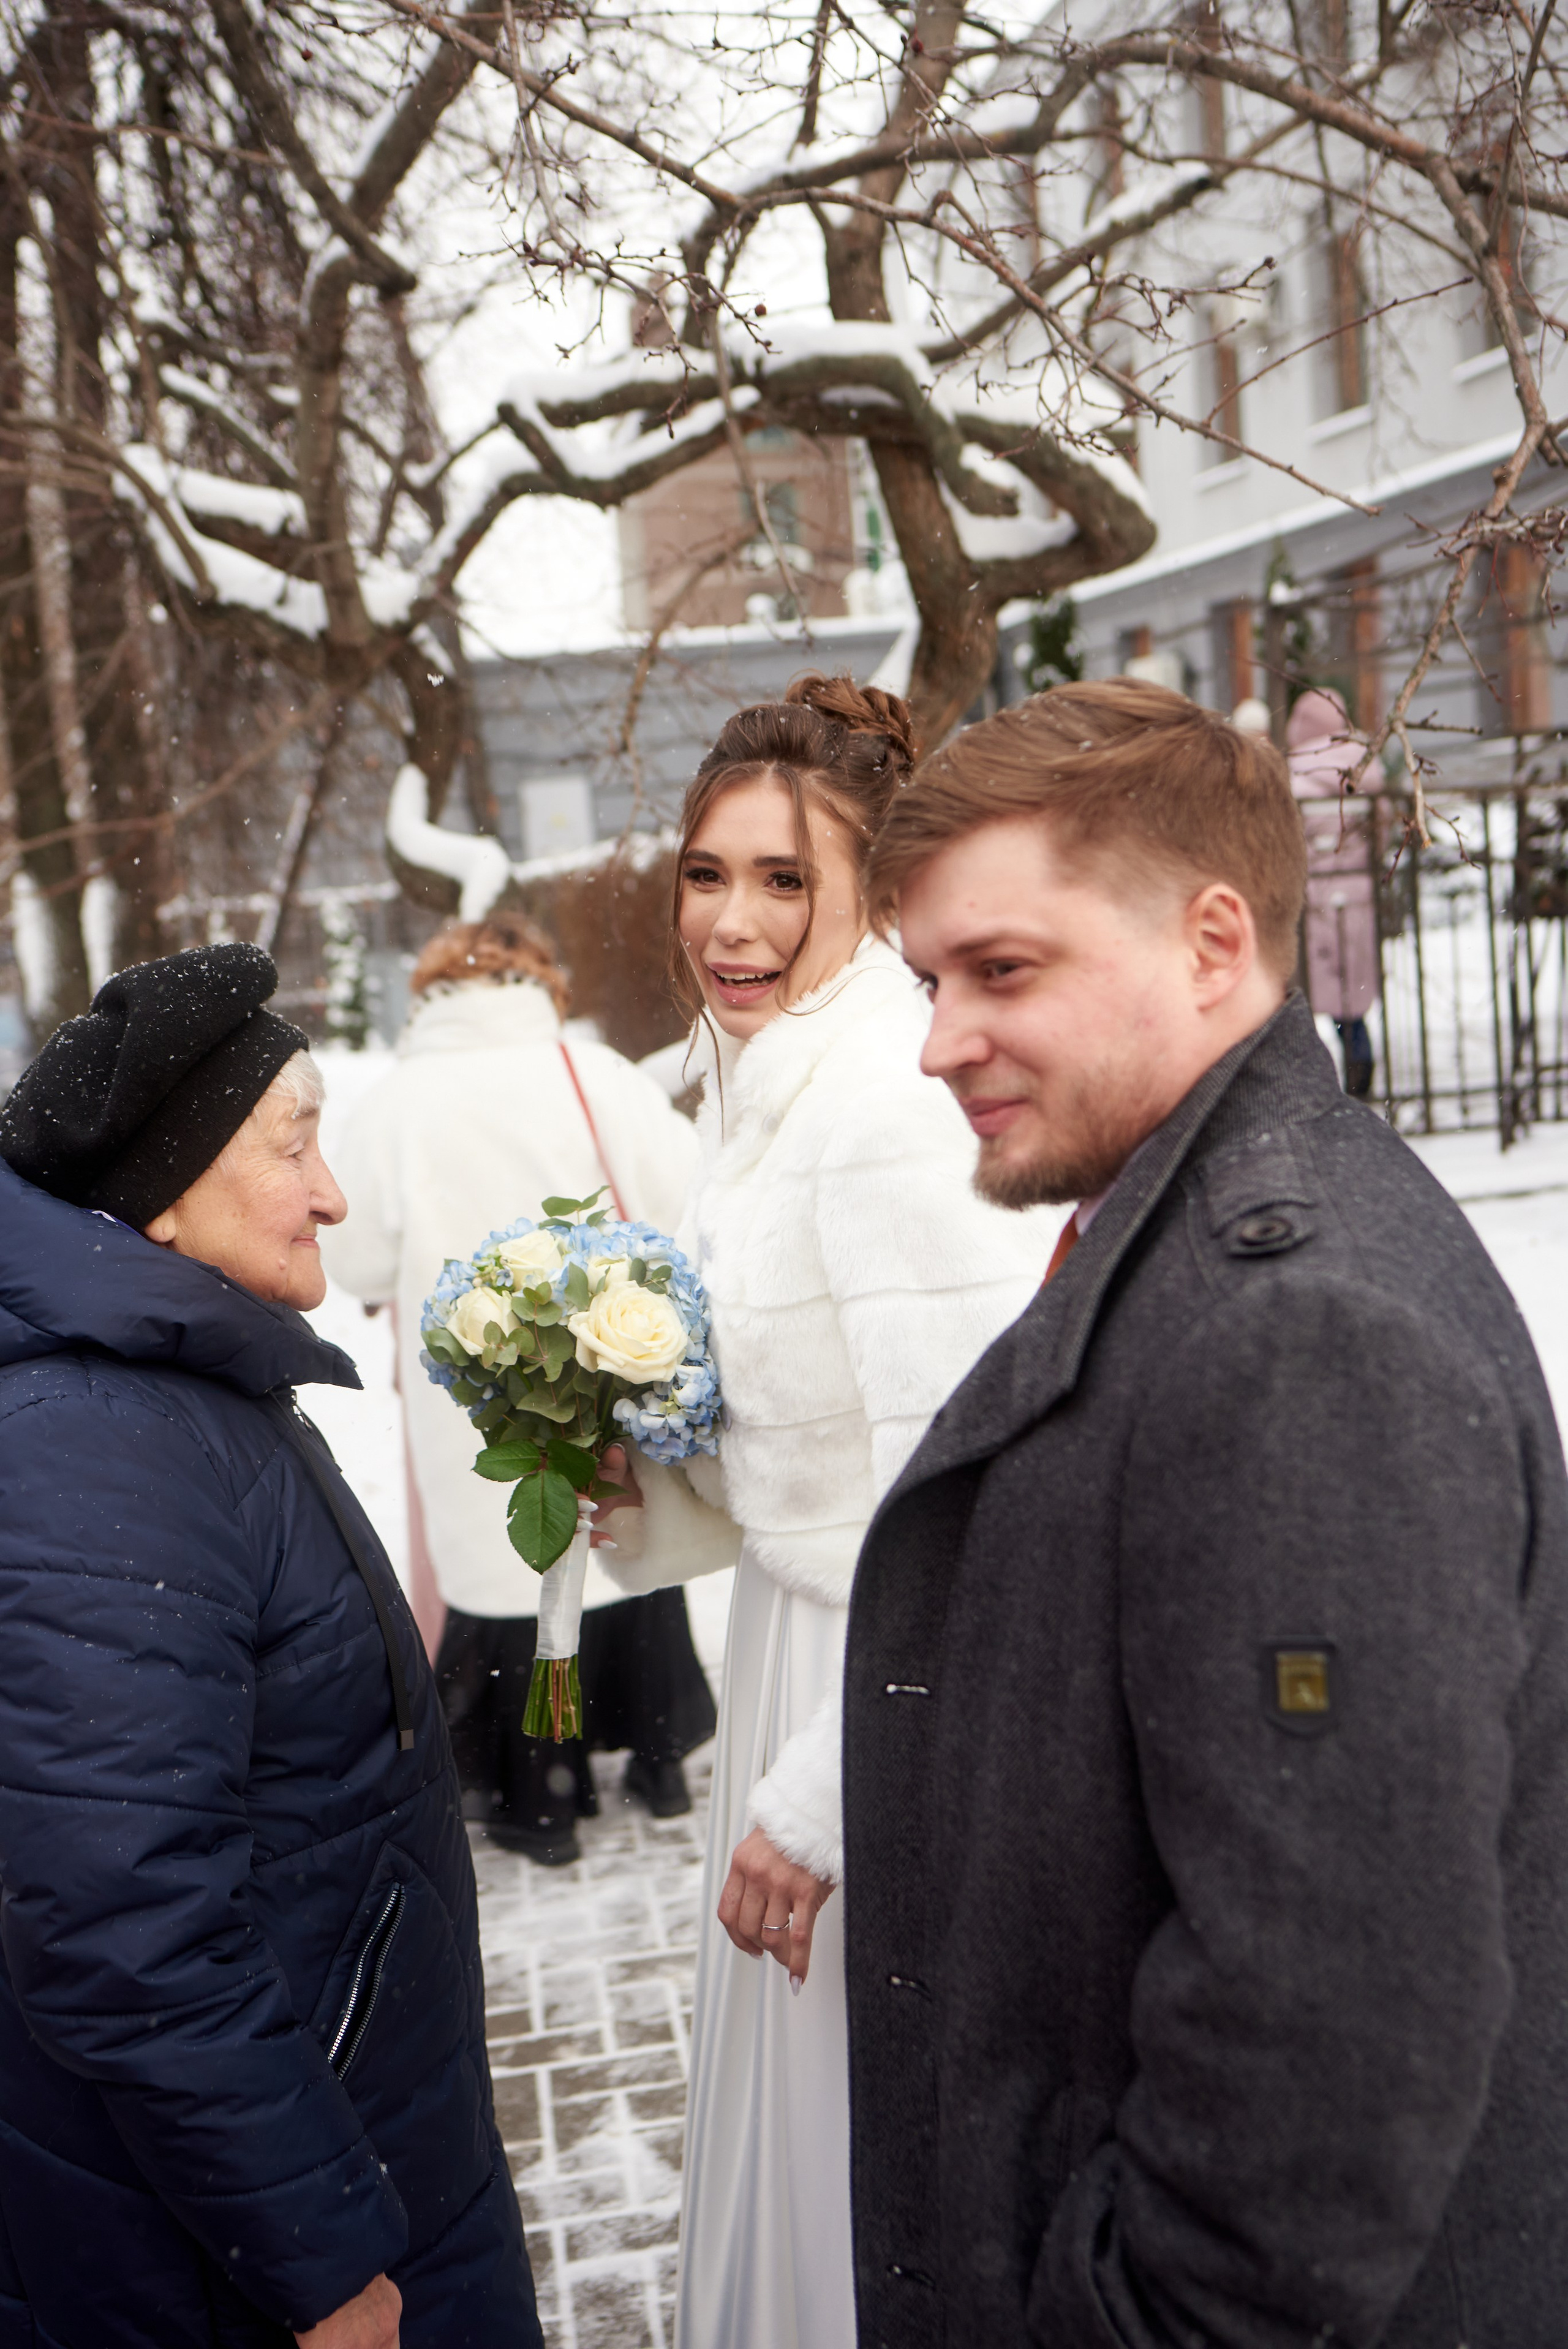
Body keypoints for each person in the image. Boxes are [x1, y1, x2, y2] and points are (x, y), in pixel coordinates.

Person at [842, 679, 1568, 2348]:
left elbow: (1336, 2025)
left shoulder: (1298, 1339)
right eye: (931, 980)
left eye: (1001, 970)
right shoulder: (1204, 1239)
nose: (942, 1037)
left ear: (1214, 941)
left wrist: (1126, 2316)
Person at [595, 675, 1054, 2349]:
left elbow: (970, 1479)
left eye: (786, 879)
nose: (732, 921)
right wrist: (649, 1469)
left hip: (882, 1688)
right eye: (709, 873)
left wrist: (827, 1788)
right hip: (805, 1646)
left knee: (869, 2154)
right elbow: (819, 1444)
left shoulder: (876, 1106)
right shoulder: (768, 1085)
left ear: (877, 888)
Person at [0, 944, 540, 2349]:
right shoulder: (96, 1446)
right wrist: (314, 2248)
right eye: (296, 1143)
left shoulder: (166, 1383)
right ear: (165, 1197)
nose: (334, 1192)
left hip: (354, 2117)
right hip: (256, 2233)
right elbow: (127, 1923)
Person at [321, 910, 715, 1866]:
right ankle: (657, 1754)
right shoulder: (592, 1074)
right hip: (601, 1362)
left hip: (474, 1385)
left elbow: (357, 1251)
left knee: (508, 1561)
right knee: (620, 1534)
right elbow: (676, 1192)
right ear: (539, 981)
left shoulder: (397, 1103)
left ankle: (540, 1793)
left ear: (430, 993)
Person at [1287, 685, 1383, 1097]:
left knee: (1311, 994)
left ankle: (1324, 1090)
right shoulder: (1367, 770)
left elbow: (1290, 841)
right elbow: (1383, 830)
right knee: (1351, 1002)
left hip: (1316, 898)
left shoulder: (1297, 776)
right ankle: (1360, 1070)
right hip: (1359, 893)